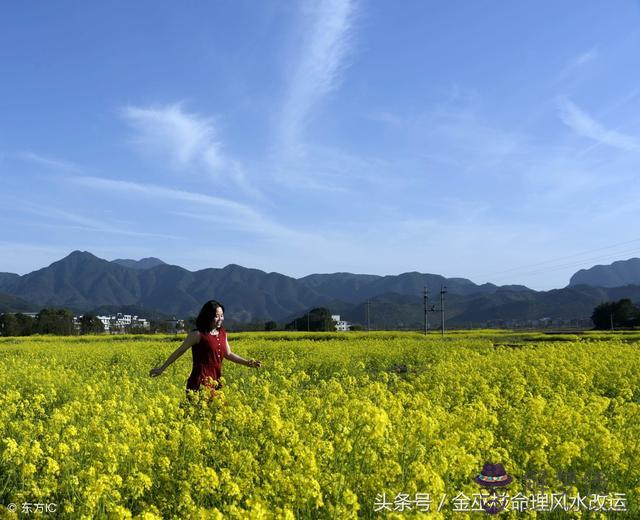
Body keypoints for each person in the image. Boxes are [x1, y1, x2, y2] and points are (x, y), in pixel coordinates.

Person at [149, 300, 261, 399]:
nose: (220, 319)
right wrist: (162, 368)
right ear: (208, 316)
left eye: (222, 316)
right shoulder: (197, 334)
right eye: (217, 316)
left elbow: (228, 354)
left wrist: (247, 363)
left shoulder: (222, 333)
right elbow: (180, 351)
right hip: (200, 380)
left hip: (216, 379)